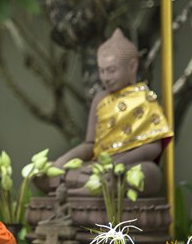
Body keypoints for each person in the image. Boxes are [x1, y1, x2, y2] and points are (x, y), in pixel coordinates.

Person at [45, 28, 173, 196]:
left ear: (132, 66)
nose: (105, 77)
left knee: (150, 174)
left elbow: (153, 148)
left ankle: (86, 190)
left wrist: (116, 163)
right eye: (102, 70)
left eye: (111, 70)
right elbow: (90, 145)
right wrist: (62, 161)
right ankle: (91, 188)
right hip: (97, 167)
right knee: (45, 174)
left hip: (126, 167)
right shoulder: (100, 99)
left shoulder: (144, 97)